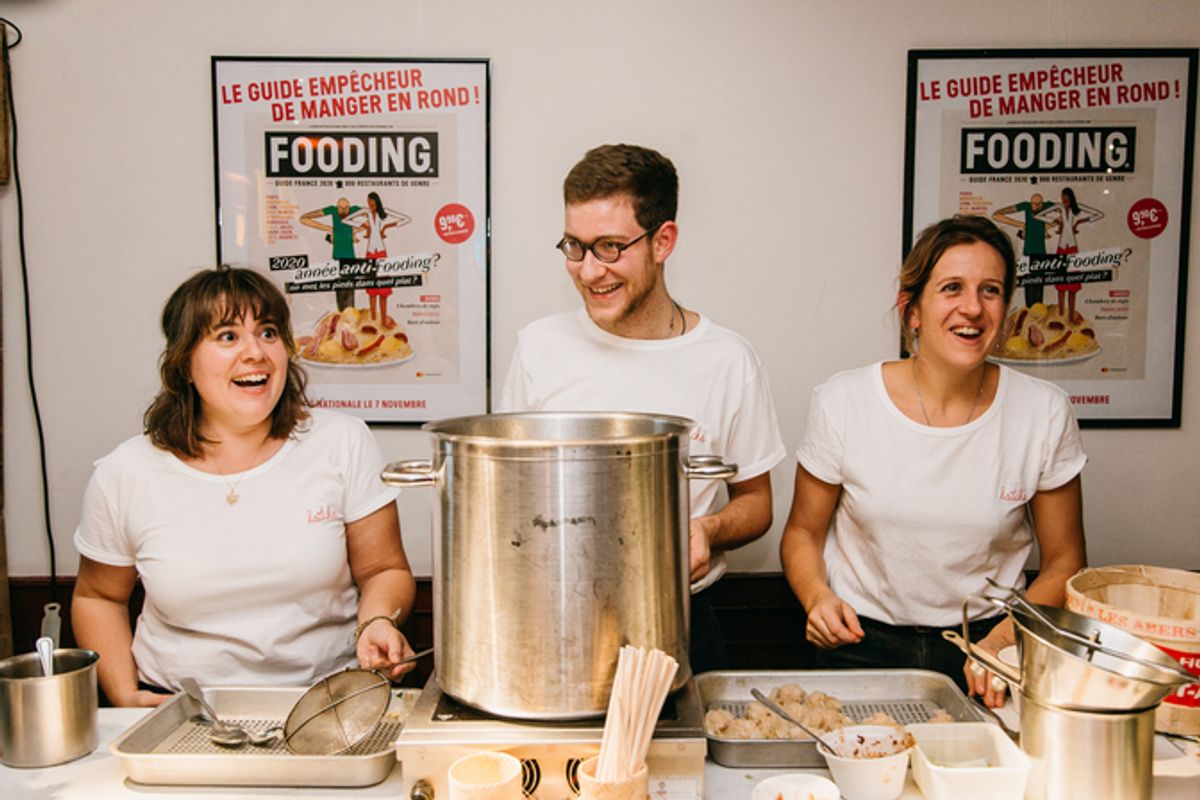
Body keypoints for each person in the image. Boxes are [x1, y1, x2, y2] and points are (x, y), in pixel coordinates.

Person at [498, 143, 786, 673]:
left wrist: (710, 530)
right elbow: (509, 499)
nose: (589, 271)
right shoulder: (538, 348)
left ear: (663, 241)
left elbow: (757, 503)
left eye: (610, 247)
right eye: (574, 247)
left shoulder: (727, 360)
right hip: (555, 622)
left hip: (684, 621)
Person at [72, 266, 417, 707]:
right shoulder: (125, 472)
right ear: (184, 363)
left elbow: (384, 570)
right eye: (228, 336)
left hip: (328, 703)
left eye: (269, 332)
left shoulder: (342, 442)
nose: (255, 352)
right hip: (181, 707)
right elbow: (98, 595)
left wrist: (376, 624)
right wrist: (123, 693)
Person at [779, 215, 1087, 707]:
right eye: (951, 288)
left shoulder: (1043, 411)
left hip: (990, 649)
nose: (973, 307)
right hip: (860, 645)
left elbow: (1066, 562)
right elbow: (803, 533)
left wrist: (1002, 642)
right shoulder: (843, 401)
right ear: (912, 310)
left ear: (1006, 310)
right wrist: (818, 599)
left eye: (990, 290)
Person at [1035, 187, 1105, 320]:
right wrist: (1055, 221)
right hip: (1062, 247)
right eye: (1062, 197)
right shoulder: (1059, 207)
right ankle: (1061, 315)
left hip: (1072, 248)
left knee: (1072, 285)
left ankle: (1071, 317)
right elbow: (1038, 215)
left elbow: (1099, 214)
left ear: (1070, 197)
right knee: (1061, 285)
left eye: (1065, 197)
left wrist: (1079, 222)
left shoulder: (1077, 208)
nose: (1063, 199)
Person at [345, 191, 412, 327]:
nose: (370, 204)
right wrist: (364, 225)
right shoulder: (365, 212)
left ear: (377, 201)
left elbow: (406, 219)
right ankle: (374, 321)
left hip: (381, 252)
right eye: (368, 202)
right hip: (370, 252)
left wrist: (387, 226)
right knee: (372, 289)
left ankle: (382, 321)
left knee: (383, 289)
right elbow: (346, 220)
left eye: (372, 201)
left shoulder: (384, 213)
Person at [991, 192, 1054, 307]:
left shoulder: (1046, 206)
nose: (1036, 207)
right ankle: (1030, 312)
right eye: (1034, 204)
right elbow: (996, 215)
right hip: (1028, 253)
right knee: (1029, 285)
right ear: (1030, 203)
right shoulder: (1026, 206)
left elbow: (1066, 210)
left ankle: (1038, 312)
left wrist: (1049, 226)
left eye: (1039, 204)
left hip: (1041, 254)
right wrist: (1021, 225)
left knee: (1039, 286)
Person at [300, 197, 363, 311]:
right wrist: (328, 228)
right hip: (337, 260)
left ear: (350, 207)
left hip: (350, 259)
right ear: (336, 207)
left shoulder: (354, 210)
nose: (343, 210)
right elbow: (303, 219)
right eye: (340, 207)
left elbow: (375, 215)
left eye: (346, 207)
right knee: (340, 293)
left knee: (349, 295)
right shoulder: (332, 210)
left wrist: (358, 230)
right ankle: (341, 318)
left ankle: (349, 320)